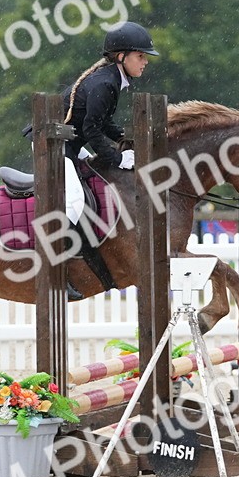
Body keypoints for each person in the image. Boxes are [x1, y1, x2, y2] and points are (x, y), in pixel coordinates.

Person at [57, 21, 159, 298]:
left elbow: (103, 123)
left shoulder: (111, 79)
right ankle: (55, 272)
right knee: (75, 201)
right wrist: (117, 158)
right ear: (121, 56)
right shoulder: (105, 83)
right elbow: (91, 130)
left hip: (71, 143)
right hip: (55, 147)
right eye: (140, 56)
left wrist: (130, 138)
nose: (145, 62)